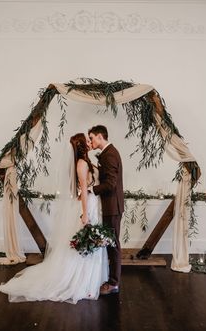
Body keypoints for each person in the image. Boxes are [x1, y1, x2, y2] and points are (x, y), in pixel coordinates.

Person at [0, 133, 108, 304]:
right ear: (81, 146)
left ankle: (88, 281)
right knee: (85, 244)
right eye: (87, 140)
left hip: (93, 203)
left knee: (89, 243)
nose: (89, 141)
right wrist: (85, 214)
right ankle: (81, 282)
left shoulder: (85, 162)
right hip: (87, 206)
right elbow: (84, 192)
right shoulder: (81, 164)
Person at [88, 125, 124, 295]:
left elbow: (110, 184)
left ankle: (114, 283)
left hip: (112, 206)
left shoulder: (109, 155)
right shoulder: (108, 153)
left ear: (100, 136)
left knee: (113, 244)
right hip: (110, 206)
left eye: (92, 138)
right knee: (110, 243)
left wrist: (91, 190)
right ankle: (110, 279)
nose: (90, 141)